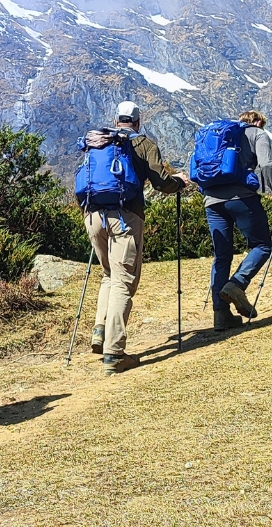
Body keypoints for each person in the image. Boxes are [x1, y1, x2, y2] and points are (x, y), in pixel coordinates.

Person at [84, 101, 188, 374]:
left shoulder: (99, 141)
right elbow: (162, 183)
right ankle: (114, 353)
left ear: (116, 120)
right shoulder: (143, 144)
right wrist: (179, 182)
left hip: (93, 216)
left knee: (108, 274)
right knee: (123, 281)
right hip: (125, 216)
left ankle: (100, 330)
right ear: (138, 121)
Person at [201, 111, 272, 330]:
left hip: (211, 201)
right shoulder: (257, 134)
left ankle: (221, 315)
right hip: (242, 198)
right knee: (262, 245)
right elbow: (267, 166)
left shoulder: (218, 136)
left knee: (222, 256)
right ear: (257, 122)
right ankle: (236, 285)